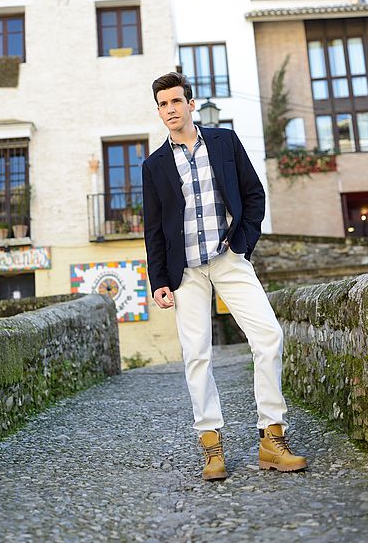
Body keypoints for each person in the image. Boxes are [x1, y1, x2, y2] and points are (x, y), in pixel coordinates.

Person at [142, 71, 307, 480]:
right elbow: (154, 227)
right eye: (163, 105)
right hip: (186, 274)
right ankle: (211, 446)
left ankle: (272, 435)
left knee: (269, 335)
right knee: (197, 354)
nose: (170, 110)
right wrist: (159, 280)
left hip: (227, 258)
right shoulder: (154, 165)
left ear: (190, 103)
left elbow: (254, 196)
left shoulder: (224, 142)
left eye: (176, 101)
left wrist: (241, 245)